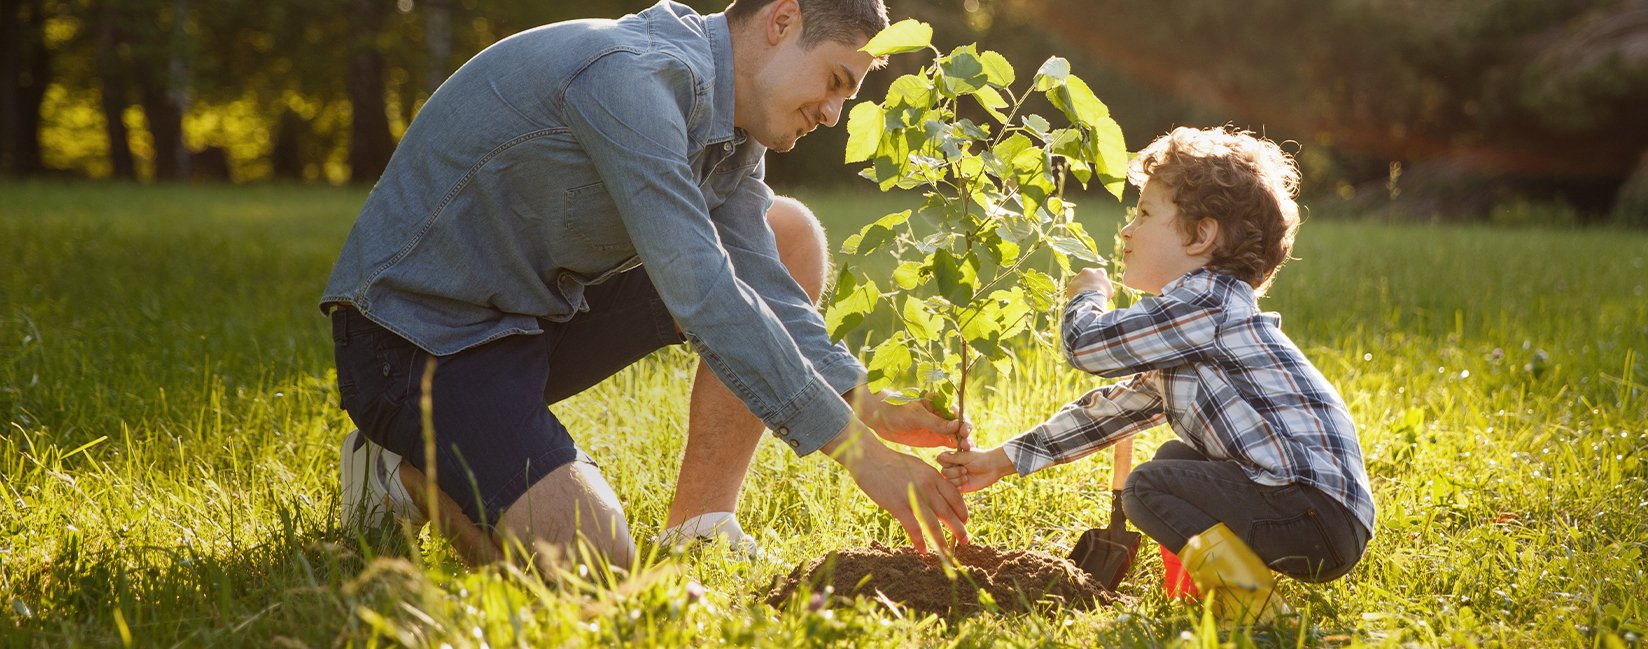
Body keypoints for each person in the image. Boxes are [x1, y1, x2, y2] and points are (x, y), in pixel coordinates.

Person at [323, 0, 970, 572]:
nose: (833, 113)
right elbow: (703, 290)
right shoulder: (633, 78)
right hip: (416, 342)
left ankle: (700, 527)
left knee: (786, 233)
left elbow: (762, 278)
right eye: (835, 82)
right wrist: (862, 455)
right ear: (782, 20)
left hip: (531, 318)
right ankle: (398, 472)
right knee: (595, 565)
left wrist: (863, 400)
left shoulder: (732, 131)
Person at [936, 126, 1373, 618]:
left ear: (1201, 235)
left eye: (1143, 214)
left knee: (1149, 486)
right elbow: (1109, 414)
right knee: (1173, 459)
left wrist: (1087, 296)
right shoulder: (1197, 329)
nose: (1126, 230)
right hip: (1321, 516)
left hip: (1309, 512)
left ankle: (1257, 612)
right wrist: (1001, 460)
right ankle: (1213, 597)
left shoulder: (1206, 302)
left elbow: (1086, 347)